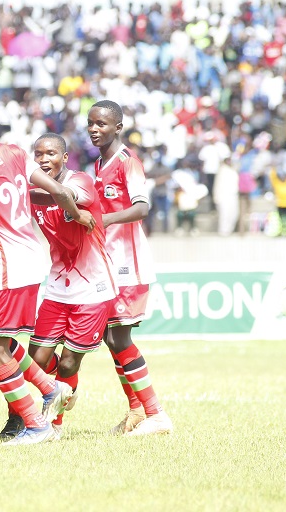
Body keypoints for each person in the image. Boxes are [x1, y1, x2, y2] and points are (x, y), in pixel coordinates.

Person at [0, 106, 94, 445]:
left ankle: (36, 424)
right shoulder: (13, 152)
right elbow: (57, 190)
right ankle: (50, 387)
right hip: (31, 256)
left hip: (5, 264)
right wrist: (76, 215)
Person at [88, 99, 172, 436]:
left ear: (118, 127)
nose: (95, 129)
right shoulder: (99, 163)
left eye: (102, 124)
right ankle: (137, 410)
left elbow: (141, 207)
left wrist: (104, 219)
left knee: (119, 338)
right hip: (108, 264)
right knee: (112, 339)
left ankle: (155, 413)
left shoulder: (127, 162)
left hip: (129, 265)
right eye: (91, 123)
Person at [27, 133, 117, 437]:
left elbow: (64, 195)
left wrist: (75, 210)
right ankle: (63, 391)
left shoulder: (81, 181)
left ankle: (54, 422)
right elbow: (35, 197)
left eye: (50, 154)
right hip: (57, 285)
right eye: (38, 155)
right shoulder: (34, 189)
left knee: (67, 363)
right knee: (37, 360)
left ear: (65, 158)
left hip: (92, 287)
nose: (43, 159)